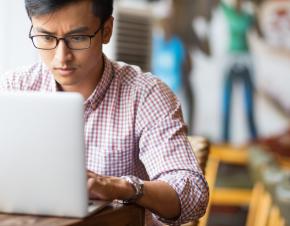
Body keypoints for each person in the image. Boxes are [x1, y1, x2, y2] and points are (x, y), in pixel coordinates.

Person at [0, 0, 209, 225]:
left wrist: (122, 188)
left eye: (78, 38)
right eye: (47, 37)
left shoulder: (146, 96)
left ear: (106, 30)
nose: (62, 57)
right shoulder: (13, 87)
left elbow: (193, 196)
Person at [219, 0, 259, 142]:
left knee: (249, 102)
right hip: (231, 59)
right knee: (226, 102)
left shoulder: (248, 16)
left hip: (245, 59)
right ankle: (224, 138)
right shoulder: (228, 12)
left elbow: (257, 30)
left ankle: (254, 138)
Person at [152, 15, 193, 134]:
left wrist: (183, 80)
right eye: (162, 26)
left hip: (176, 90)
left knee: (178, 124)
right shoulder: (155, 43)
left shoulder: (177, 44)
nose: (164, 29)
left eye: (167, 26)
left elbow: (187, 65)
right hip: (158, 92)